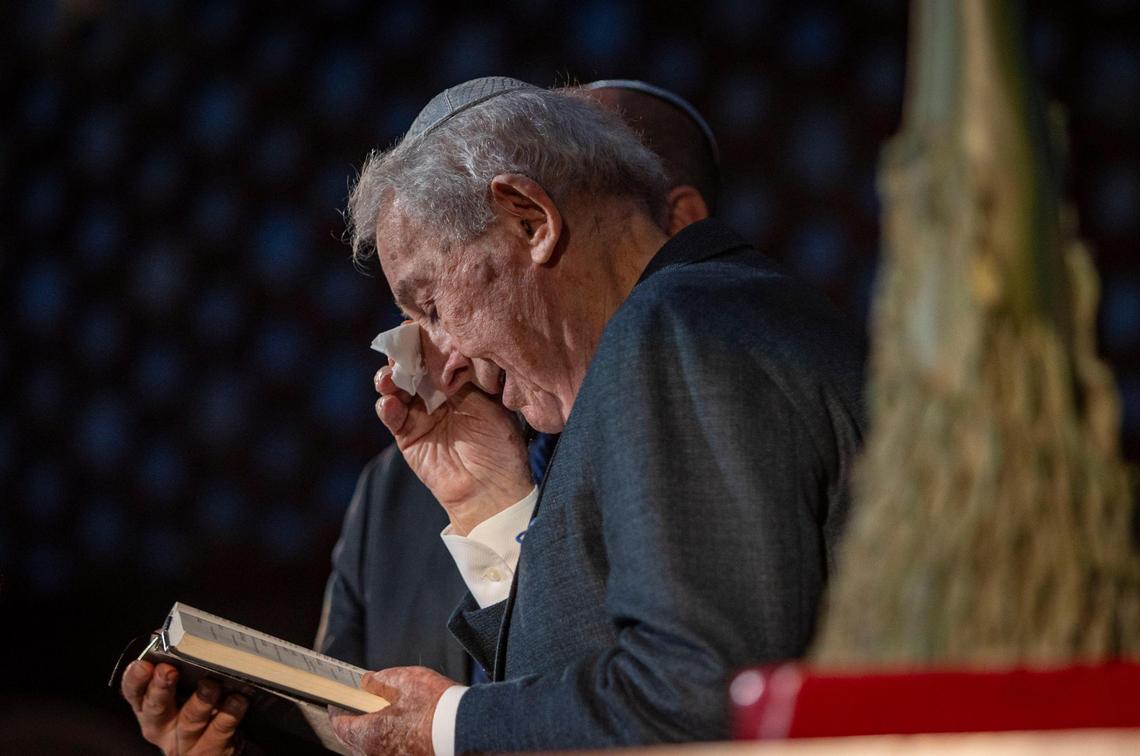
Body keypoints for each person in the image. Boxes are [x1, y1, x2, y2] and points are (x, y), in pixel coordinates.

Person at [118, 78, 724, 755]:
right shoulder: (397, 496)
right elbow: (344, 735)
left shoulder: (701, 379)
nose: (442, 351)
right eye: (418, 314)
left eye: (434, 307)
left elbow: (669, 703)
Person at [331, 76, 865, 753]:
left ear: (530, 219)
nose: (447, 360)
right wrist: (491, 503)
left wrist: (448, 724)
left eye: (431, 307)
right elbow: (595, 679)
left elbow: (697, 701)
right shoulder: (664, 339)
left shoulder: (679, 328)